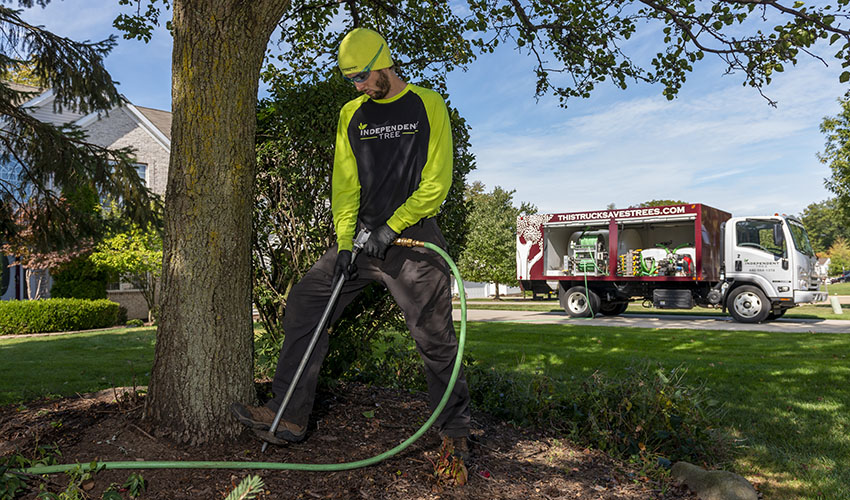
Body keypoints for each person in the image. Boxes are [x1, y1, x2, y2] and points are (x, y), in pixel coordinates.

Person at [231, 27, 471, 460]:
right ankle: (288, 415)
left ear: (384, 61)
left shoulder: (426, 104)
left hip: (414, 240)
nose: (358, 85)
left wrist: (392, 227)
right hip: (362, 242)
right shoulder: (352, 115)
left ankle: (454, 432)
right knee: (306, 301)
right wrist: (345, 244)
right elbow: (345, 185)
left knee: (434, 338)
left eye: (361, 76)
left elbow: (437, 181)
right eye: (350, 80)